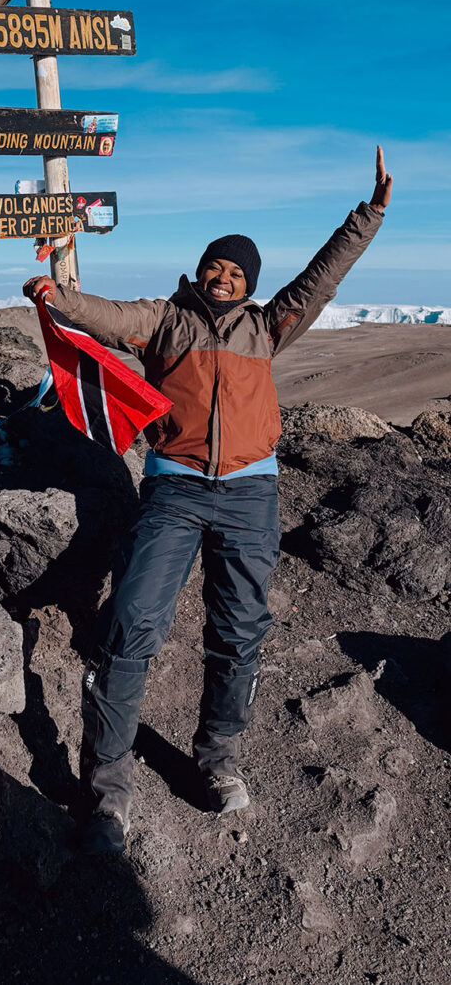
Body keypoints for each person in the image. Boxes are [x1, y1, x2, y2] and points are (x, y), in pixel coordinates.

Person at [23, 147, 393, 855]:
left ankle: (218, 758)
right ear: (199, 272)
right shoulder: (165, 319)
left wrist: (369, 213)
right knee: (131, 623)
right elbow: (105, 316)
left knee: (240, 631)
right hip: (176, 488)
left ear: (250, 285)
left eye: (237, 274)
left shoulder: (268, 326)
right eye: (216, 268)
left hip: (252, 492)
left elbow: (323, 277)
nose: (224, 278)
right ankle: (107, 791)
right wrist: (56, 296)